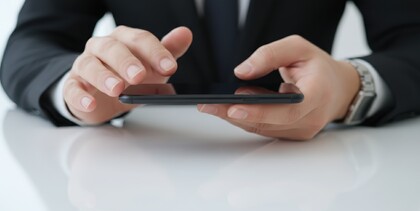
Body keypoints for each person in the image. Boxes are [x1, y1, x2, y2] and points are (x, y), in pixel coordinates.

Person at [1, 0, 420, 141]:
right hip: (140, 182)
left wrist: (351, 85)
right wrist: (82, 90)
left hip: (309, 175)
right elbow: (32, 43)